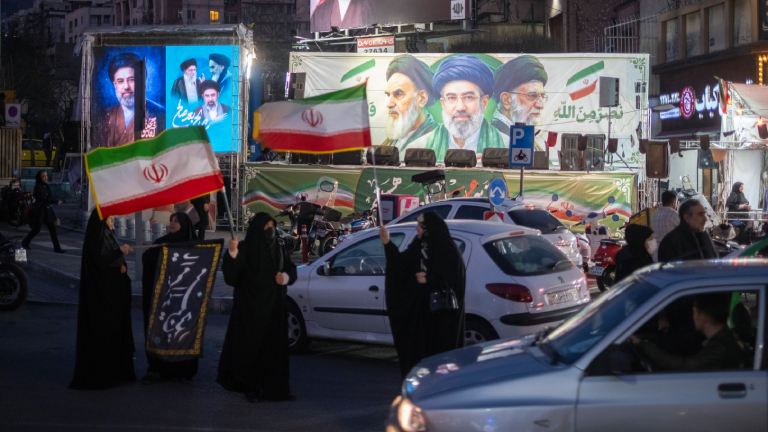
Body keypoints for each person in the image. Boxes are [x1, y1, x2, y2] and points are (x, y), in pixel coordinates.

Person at [217, 213, 298, 403]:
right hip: (250, 310)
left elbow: (291, 269)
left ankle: (275, 389)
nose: (270, 230)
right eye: (266, 227)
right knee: (251, 350)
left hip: (274, 310)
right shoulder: (245, 248)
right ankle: (250, 387)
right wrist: (233, 254)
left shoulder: (278, 249)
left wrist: (285, 278)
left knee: (274, 351)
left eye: (272, 226)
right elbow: (232, 278)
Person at [379, 212, 466, 378]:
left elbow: (454, 277)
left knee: (441, 352)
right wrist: (387, 243)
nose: (416, 228)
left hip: (442, 315)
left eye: (419, 225)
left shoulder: (447, 248)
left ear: (428, 228)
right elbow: (402, 265)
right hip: (422, 312)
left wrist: (429, 278)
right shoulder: (419, 245)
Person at [69, 212, 135, 390]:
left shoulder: (105, 235)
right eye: (110, 218)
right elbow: (101, 260)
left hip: (111, 296)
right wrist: (119, 252)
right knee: (104, 336)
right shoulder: (98, 236)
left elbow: (109, 259)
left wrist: (121, 262)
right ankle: (103, 374)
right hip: (102, 298)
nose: (113, 221)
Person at [415, 55, 507, 164]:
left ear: (484, 102)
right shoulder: (420, 148)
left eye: (468, 97)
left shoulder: (506, 147)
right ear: (443, 103)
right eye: (451, 98)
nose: (460, 107)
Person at [140, 212, 199, 385]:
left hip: (181, 301)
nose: (171, 224)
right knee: (159, 331)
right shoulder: (161, 243)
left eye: (176, 221)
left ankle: (181, 369)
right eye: (171, 220)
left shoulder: (191, 246)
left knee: (180, 333)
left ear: (184, 225)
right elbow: (147, 260)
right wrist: (156, 253)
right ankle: (156, 368)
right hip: (162, 300)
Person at [631, 293, 745, 371]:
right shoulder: (720, 340)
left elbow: (683, 366)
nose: (693, 317)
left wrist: (642, 344)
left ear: (704, 316)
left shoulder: (721, 348)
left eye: (695, 312)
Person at [98, 52, 165, 148]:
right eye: (120, 81)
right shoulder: (104, 118)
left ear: (142, 81)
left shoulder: (161, 114)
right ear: (114, 84)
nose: (126, 87)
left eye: (131, 79)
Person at [380, 55, 438, 154]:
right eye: (388, 95)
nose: (389, 104)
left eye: (398, 94)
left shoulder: (439, 140)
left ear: (422, 99)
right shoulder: (393, 139)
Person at [491, 55, 548, 150]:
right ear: (506, 100)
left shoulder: (520, 137)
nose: (541, 105)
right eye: (532, 96)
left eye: (542, 96)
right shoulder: (496, 140)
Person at [22, 170, 65, 253]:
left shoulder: (46, 186)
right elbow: (43, 199)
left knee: (52, 230)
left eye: (46, 176)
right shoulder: (38, 186)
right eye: (43, 176)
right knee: (36, 229)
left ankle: (57, 248)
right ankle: (25, 242)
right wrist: (55, 202)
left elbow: (49, 198)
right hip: (41, 211)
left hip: (47, 210)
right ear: (39, 177)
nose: (45, 178)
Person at [651, 190, 679, 261]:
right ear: (673, 202)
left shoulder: (654, 215)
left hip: (656, 253)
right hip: (671, 253)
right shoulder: (674, 214)